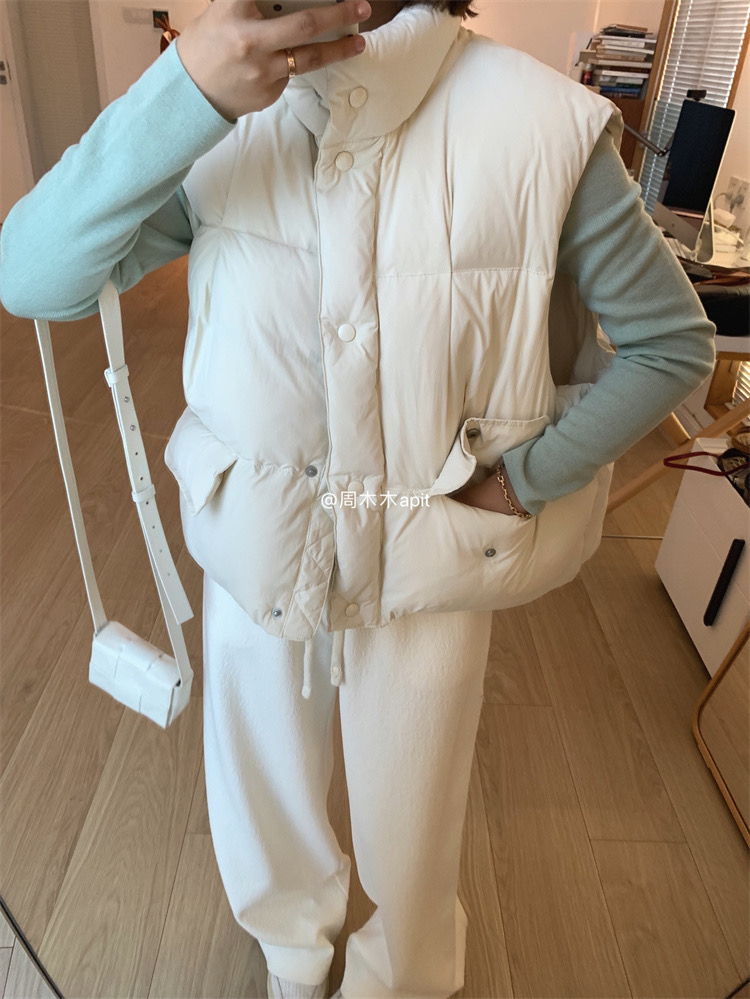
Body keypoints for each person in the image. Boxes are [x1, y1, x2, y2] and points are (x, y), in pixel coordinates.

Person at [0, 1, 716, 997]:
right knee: (260, 795)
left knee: (412, 822)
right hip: (258, 532)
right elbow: (31, 276)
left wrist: (524, 480)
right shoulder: (218, 113)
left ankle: (402, 977)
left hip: (432, 554)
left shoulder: (540, 125)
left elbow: (671, 345)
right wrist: (184, 95)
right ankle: (292, 961)